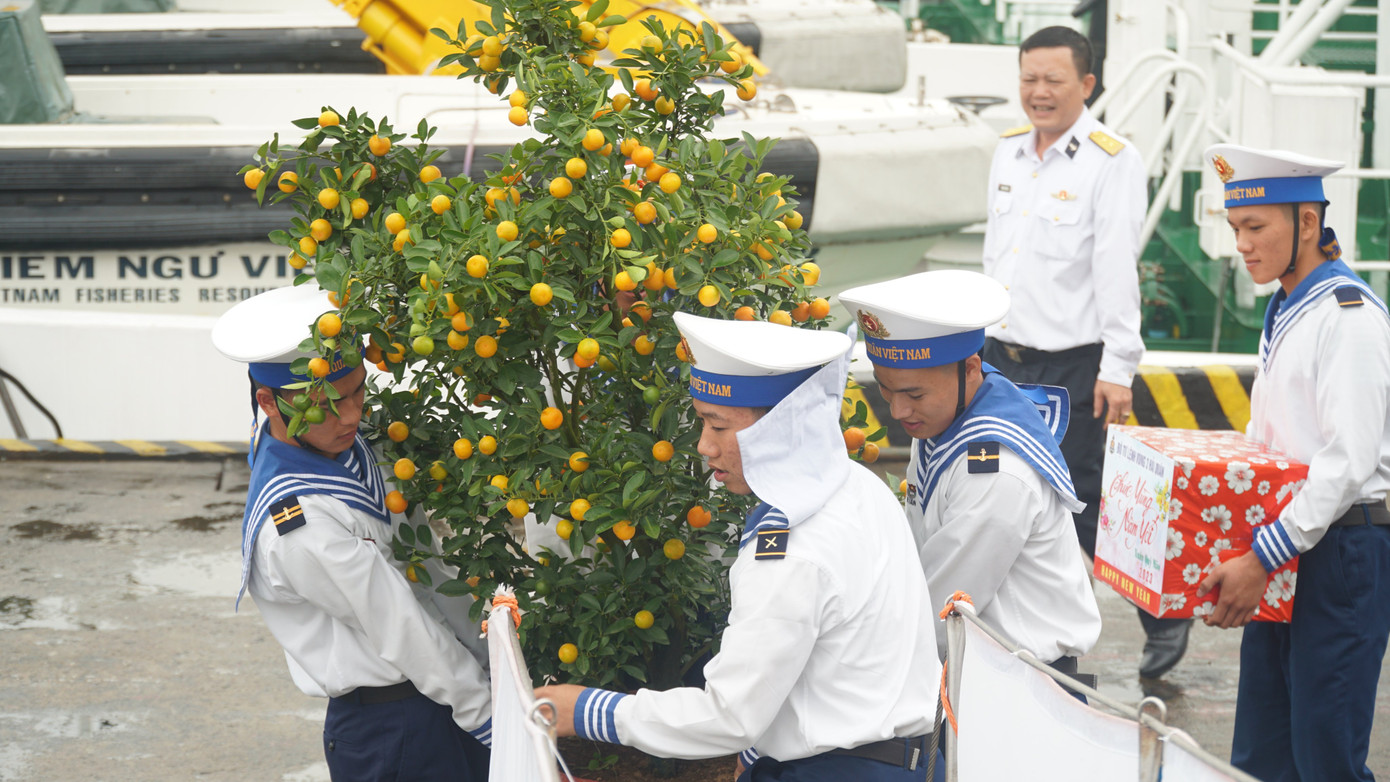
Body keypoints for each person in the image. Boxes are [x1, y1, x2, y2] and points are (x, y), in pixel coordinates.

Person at [535, 312, 942, 781]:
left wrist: (583, 709)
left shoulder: (792, 549)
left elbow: (729, 716)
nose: (704, 447)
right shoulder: (855, 484)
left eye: (719, 426)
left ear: (780, 429)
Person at [211, 283, 492, 782]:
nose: (352, 415)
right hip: (393, 726)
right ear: (268, 402)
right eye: (328, 405)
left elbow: (426, 565)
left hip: (447, 691)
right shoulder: (300, 525)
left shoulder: (346, 445)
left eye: (358, 390)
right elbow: (399, 623)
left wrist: (491, 660)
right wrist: (489, 715)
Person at [979, 25, 1188, 678]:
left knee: (1084, 501)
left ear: (1086, 85)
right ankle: (1032, 637)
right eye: (1028, 80)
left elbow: (1115, 267)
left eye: (1053, 81)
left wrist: (1118, 369)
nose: (1038, 93)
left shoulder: (1110, 159)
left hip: (1072, 365)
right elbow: (995, 257)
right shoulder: (1008, 153)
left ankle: (1153, 617)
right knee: (1017, 497)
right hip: (1000, 356)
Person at [1197, 144, 1390, 781]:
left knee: (1325, 758)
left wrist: (1260, 556)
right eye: (1235, 229)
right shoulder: (1287, 304)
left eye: (1256, 227)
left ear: (1307, 223)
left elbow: (1346, 462)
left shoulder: (1347, 315)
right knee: (1263, 755)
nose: (1242, 245)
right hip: (1289, 544)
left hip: (1339, 551)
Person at [839, 270, 1101, 676]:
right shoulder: (944, 418)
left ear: (972, 369)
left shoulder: (996, 472)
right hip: (975, 668)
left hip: (1019, 684)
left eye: (913, 394)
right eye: (887, 391)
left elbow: (942, 608)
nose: (898, 411)